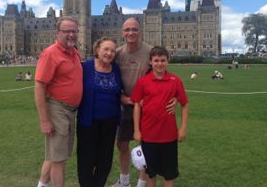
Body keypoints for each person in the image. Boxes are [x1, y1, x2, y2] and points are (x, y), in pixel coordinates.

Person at [113, 17, 177, 187]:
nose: (131, 33)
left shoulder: (149, 51)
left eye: (134, 29)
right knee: (122, 144)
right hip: (126, 105)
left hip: (147, 107)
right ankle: (124, 181)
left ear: (140, 31)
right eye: (127, 29)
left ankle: (142, 183)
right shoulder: (118, 53)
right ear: (122, 32)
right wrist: (123, 98)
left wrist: (174, 98)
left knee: (146, 145)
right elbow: (110, 77)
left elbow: (163, 74)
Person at [34, 16, 82, 187]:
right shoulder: (50, 53)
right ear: (57, 33)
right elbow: (39, 86)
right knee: (58, 160)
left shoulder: (74, 52)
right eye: (66, 31)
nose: (71, 34)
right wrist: (44, 120)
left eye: (74, 31)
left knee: (56, 155)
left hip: (70, 111)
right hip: (57, 109)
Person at [132, 46, 189, 187]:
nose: (159, 64)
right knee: (151, 174)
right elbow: (137, 105)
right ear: (150, 62)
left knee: (168, 175)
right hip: (148, 136)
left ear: (167, 61)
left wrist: (182, 128)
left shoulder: (175, 81)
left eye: (163, 60)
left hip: (169, 136)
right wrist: (137, 130)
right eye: (156, 60)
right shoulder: (143, 82)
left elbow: (185, 104)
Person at [77, 37, 122, 187]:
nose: (109, 53)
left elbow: (120, 91)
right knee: (86, 159)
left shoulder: (115, 68)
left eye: (112, 51)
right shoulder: (85, 67)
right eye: (106, 49)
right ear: (97, 50)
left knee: (105, 160)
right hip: (88, 121)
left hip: (110, 121)